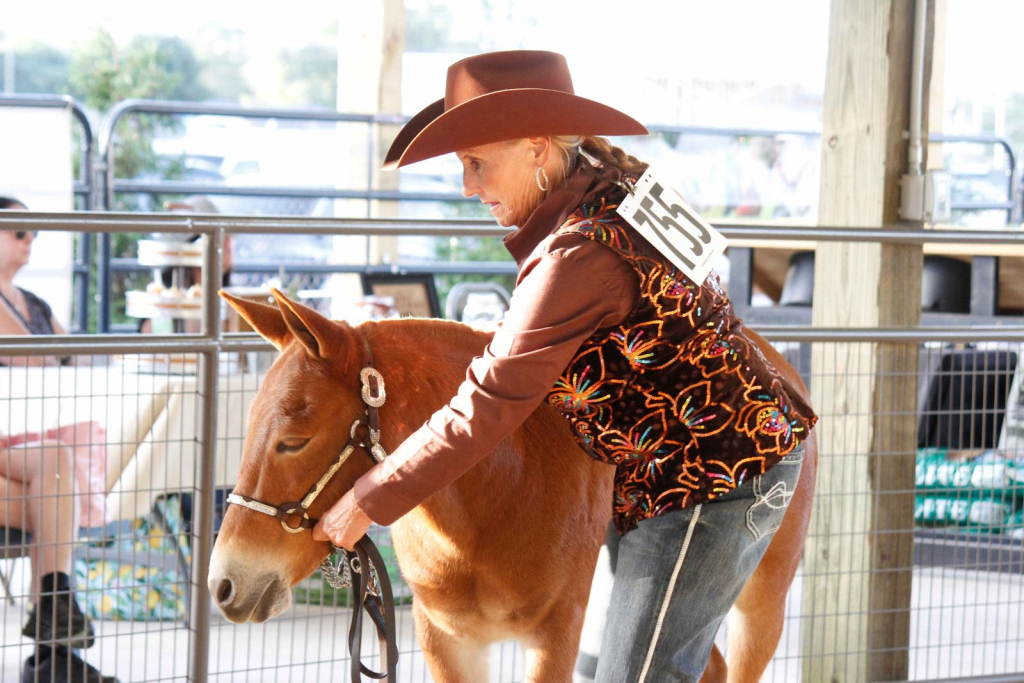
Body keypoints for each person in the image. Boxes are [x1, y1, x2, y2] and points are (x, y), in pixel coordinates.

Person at [312, 51, 817, 682]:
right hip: (692, 465)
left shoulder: (575, 255)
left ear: (536, 147)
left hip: (713, 475)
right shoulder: (617, 190)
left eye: (476, 163)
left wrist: (371, 497)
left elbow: (489, 401)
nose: (467, 186)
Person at [1, 197, 115, 682]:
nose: (29, 240)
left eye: (34, 233)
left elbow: (75, 358)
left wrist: (64, 361)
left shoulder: (33, 303)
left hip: (22, 448)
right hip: (11, 440)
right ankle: (52, 653)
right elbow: (43, 361)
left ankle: (53, 628)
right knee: (55, 491)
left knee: (53, 469)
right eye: (18, 231)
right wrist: (62, 361)